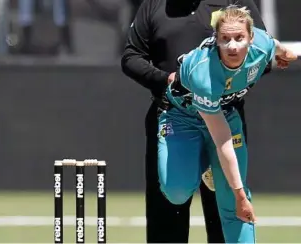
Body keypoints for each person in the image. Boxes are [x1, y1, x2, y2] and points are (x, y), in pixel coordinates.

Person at [121, 0, 270, 243]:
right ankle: (196, 166)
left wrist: (224, 80)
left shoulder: (235, 2)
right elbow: (131, 57)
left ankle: (209, 167)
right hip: (172, 116)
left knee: (227, 210)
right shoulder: (153, 5)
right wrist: (168, 79)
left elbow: (261, 51)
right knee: (169, 208)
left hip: (224, 115)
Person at [158, 5, 297, 243]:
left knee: (233, 207)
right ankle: (205, 164)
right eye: (225, 39)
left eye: (239, 38)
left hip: (225, 114)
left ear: (250, 38)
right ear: (216, 39)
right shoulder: (205, 75)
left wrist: (285, 54)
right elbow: (222, 140)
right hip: (182, 117)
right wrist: (241, 194)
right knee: (177, 192)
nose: (232, 46)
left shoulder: (261, 45)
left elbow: (273, 44)